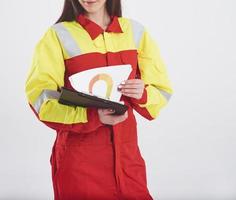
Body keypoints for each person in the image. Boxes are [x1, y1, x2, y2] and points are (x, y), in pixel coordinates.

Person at [25, 0, 173, 199]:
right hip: (80, 165)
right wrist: (91, 116)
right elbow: (41, 100)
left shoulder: (135, 32)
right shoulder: (58, 36)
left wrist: (142, 92)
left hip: (128, 162)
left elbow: (161, 89)